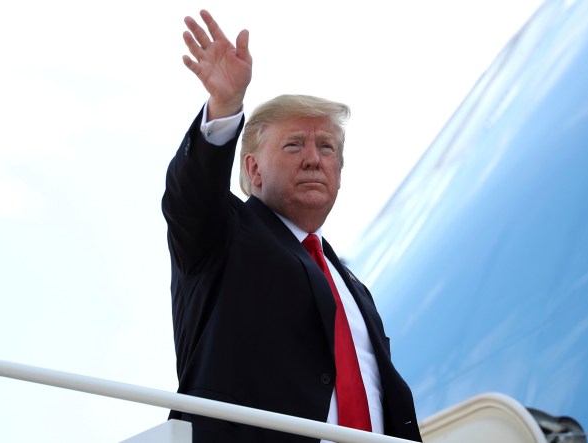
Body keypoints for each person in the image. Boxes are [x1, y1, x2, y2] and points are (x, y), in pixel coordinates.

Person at [162, 10, 422, 443]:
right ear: (254, 169)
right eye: (294, 144)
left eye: (326, 147)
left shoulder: (352, 285)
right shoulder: (223, 237)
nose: (313, 158)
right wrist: (225, 107)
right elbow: (191, 198)